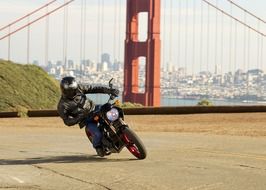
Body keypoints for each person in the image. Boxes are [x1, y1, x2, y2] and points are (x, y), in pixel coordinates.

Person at [57, 76, 119, 157]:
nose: (74, 92)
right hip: (86, 119)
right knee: (97, 134)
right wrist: (78, 118)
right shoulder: (62, 105)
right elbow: (67, 121)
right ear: (65, 91)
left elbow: (93, 88)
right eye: (71, 91)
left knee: (110, 108)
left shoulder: (79, 88)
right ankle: (98, 146)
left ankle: (121, 127)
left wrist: (109, 90)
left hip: (95, 108)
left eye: (74, 89)